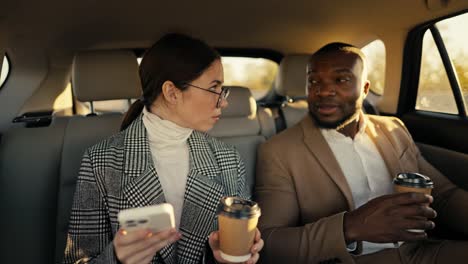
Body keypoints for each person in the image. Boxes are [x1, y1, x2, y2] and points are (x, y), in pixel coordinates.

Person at [255, 42, 468, 264]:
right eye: (314, 80)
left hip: (418, 253)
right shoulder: (279, 151)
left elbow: (442, 195)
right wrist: (350, 227)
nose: (324, 90)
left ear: (365, 89)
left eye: (341, 80)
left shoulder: (393, 129)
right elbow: (269, 243)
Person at [64, 33, 263, 264]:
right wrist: (116, 258)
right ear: (172, 93)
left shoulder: (229, 160)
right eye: (214, 88)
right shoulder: (100, 162)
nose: (224, 102)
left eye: (222, 90)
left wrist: (232, 256)